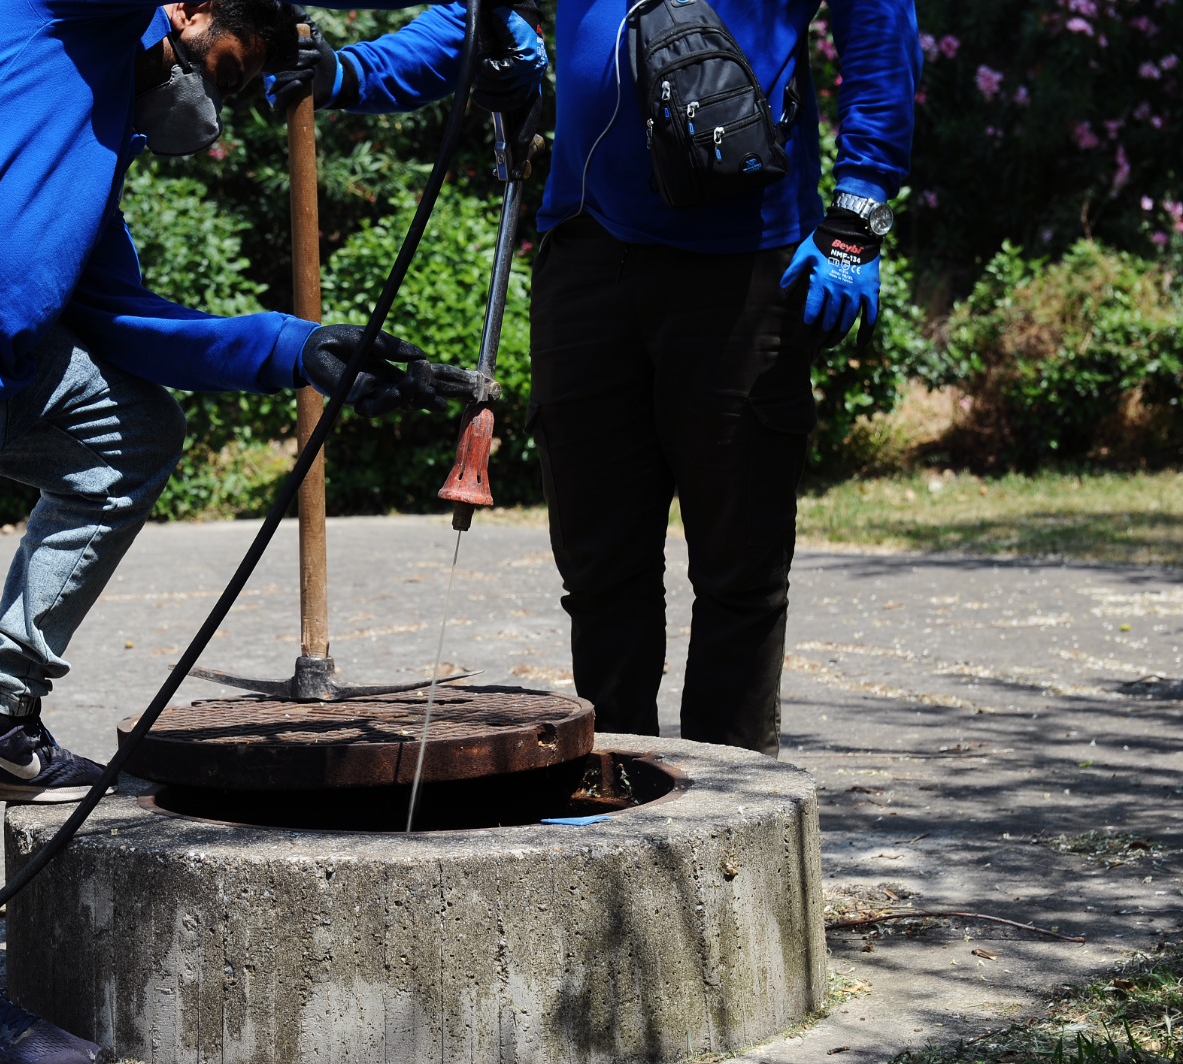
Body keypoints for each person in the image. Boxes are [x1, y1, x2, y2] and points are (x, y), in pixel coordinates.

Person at [0, 0, 481, 1060]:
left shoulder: (87, 124)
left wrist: (297, 348)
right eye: (228, 64)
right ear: (188, 9)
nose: (222, 109)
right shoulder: (65, 12)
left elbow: (121, 320)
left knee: (123, 427)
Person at [266, 0, 920, 757]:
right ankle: (615, 787)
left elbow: (878, 28)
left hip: (743, 257)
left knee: (739, 563)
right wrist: (348, 72)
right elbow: (476, 19)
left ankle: (736, 809)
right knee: (601, 565)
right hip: (586, 250)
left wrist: (857, 213)